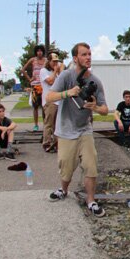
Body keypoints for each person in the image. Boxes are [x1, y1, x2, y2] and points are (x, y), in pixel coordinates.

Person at [45, 42, 108, 217]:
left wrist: (95, 107)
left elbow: (105, 110)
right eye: (84, 54)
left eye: (89, 54)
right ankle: (63, 190)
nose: (88, 57)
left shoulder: (95, 81)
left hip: (84, 129)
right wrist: (68, 93)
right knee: (66, 165)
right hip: (66, 128)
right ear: (75, 58)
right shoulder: (66, 76)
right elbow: (49, 97)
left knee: (90, 164)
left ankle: (91, 200)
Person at [40, 53, 64, 152]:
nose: (55, 64)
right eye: (53, 61)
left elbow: (63, 82)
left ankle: (56, 143)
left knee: (57, 124)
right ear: (48, 61)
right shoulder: (43, 71)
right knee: (49, 123)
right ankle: (46, 142)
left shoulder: (58, 73)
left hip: (58, 101)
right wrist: (55, 71)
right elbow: (50, 81)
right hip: (49, 101)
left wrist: (60, 71)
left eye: (56, 62)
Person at [21, 44, 47, 131]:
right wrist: (30, 79)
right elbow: (23, 70)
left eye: (41, 51)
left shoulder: (46, 61)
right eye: (38, 51)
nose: (39, 52)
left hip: (44, 85)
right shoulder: (33, 60)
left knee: (44, 106)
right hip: (35, 85)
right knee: (35, 106)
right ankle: (35, 125)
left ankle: (45, 124)